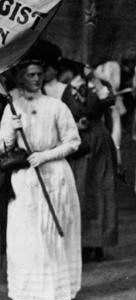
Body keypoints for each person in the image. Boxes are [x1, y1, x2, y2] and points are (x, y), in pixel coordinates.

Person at [0, 59, 81, 300]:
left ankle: (57, 291)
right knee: (25, 237)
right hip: (25, 178)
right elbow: (3, 146)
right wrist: (12, 128)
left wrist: (46, 156)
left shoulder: (56, 106)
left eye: (39, 74)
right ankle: (26, 295)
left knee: (52, 234)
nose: (35, 78)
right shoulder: (12, 106)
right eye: (30, 74)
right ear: (20, 77)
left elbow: (73, 141)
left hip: (54, 175)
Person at [58, 58, 118, 262]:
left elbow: (109, 100)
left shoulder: (99, 85)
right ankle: (83, 243)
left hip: (99, 140)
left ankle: (99, 241)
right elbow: (62, 115)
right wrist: (75, 123)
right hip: (80, 142)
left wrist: (95, 80)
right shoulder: (68, 90)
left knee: (102, 189)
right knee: (81, 190)